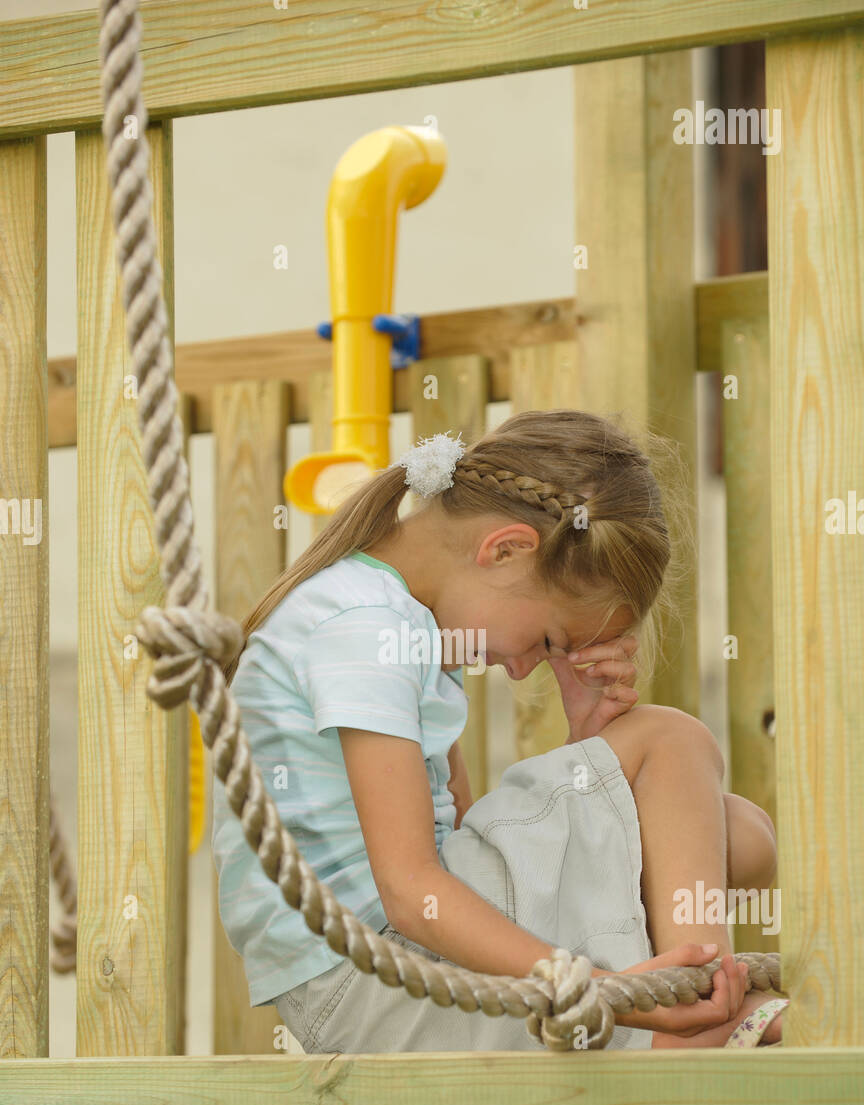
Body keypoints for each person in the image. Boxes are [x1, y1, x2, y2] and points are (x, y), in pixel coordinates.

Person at [211, 409, 785, 1053]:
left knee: (739, 834)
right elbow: (411, 891)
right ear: (505, 550)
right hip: (375, 979)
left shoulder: (394, 621)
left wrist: (587, 740)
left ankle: (693, 1009)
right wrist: (592, 990)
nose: (521, 670)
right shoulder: (367, 628)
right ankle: (695, 1018)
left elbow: (456, 845)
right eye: (547, 640)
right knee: (672, 741)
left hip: (383, 977)